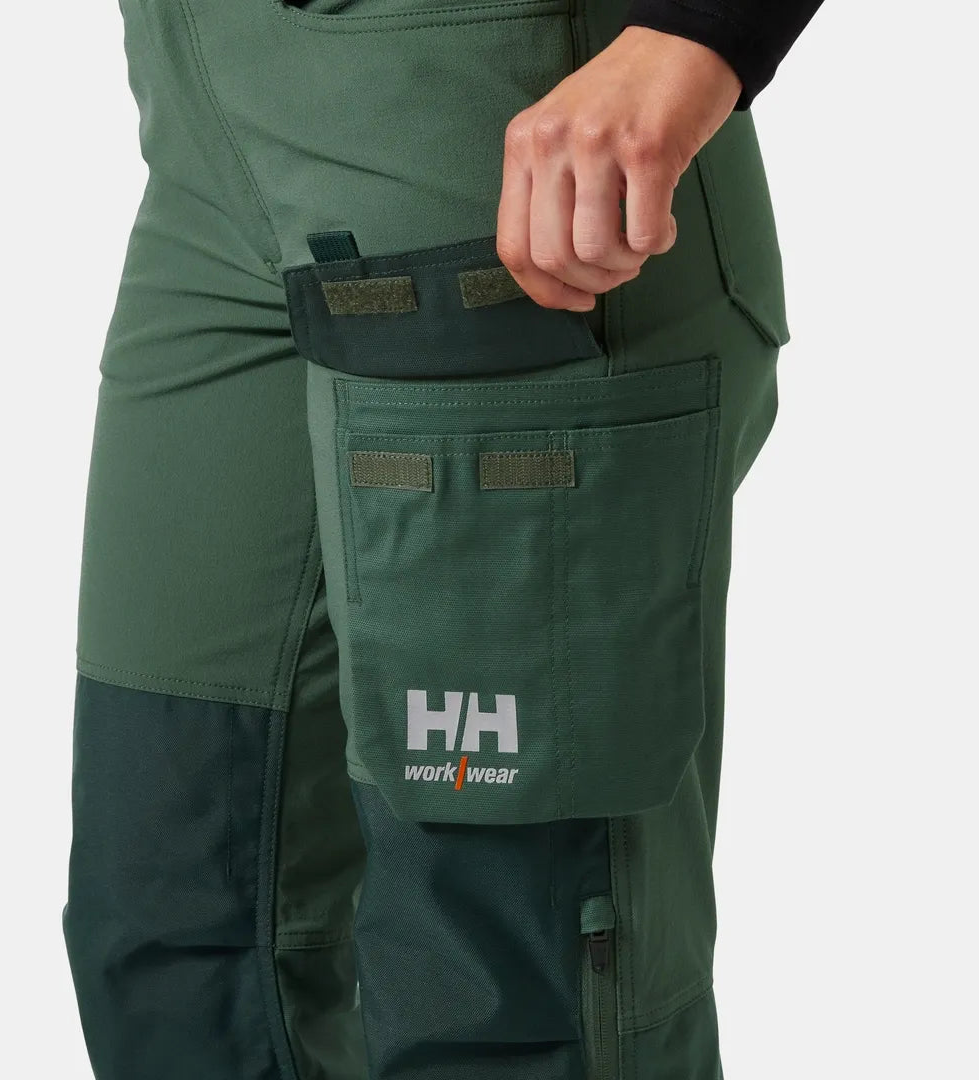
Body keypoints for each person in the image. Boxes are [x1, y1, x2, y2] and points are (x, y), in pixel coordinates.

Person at [63, 1, 823, 1078]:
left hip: (492, 117)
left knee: (498, 977)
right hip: (204, 134)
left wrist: (698, 31)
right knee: (179, 927)